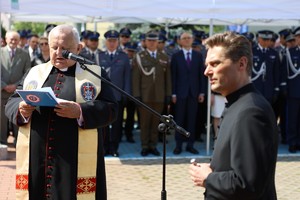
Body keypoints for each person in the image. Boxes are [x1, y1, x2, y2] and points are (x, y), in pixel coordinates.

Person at [5, 24, 118, 200]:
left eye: (65, 49)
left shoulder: (94, 74)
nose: (58, 53)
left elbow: (111, 108)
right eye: (54, 48)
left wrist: (80, 111)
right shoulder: (35, 73)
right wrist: (22, 109)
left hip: (73, 160)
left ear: (78, 48)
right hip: (37, 158)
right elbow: (12, 102)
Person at [189, 31, 278, 199]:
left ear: (242, 64)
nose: (207, 71)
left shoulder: (250, 112)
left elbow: (248, 184)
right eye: (207, 65)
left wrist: (208, 178)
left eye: (215, 64)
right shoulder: (237, 103)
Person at [132, 30, 172, 156]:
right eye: (149, 40)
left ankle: (153, 146)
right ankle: (144, 146)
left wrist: (168, 94)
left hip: (159, 96)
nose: (152, 43)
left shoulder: (164, 57)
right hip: (144, 96)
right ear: (145, 42)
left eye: (154, 41)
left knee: (156, 123)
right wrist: (136, 94)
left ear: (158, 42)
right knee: (144, 123)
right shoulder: (139, 56)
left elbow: (168, 79)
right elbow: (135, 78)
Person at [171, 32, 205, 155]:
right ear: (179, 41)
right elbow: (173, 76)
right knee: (179, 119)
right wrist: (173, 93)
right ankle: (178, 145)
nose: (186, 40)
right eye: (184, 38)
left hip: (194, 93)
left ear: (193, 39)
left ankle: (190, 145)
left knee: (192, 119)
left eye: (188, 38)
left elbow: (201, 75)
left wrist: (202, 92)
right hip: (180, 93)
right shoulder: (176, 56)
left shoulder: (198, 55)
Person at [99, 30, 131, 157]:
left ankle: (114, 148)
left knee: (117, 124)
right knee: (104, 123)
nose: (112, 43)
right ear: (106, 41)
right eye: (109, 41)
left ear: (118, 42)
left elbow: (127, 77)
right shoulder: (99, 56)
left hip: (118, 95)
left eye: (114, 41)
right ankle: (104, 147)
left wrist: (126, 94)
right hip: (104, 95)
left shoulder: (123, 56)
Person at [1, 31, 31, 146]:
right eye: (11, 39)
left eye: (15, 39)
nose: (13, 41)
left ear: (19, 41)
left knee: (17, 117)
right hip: (2, 92)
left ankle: (18, 142)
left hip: (17, 93)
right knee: (1, 120)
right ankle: (2, 142)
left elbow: (27, 73)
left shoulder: (24, 54)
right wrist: (4, 85)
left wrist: (16, 86)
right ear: (6, 39)